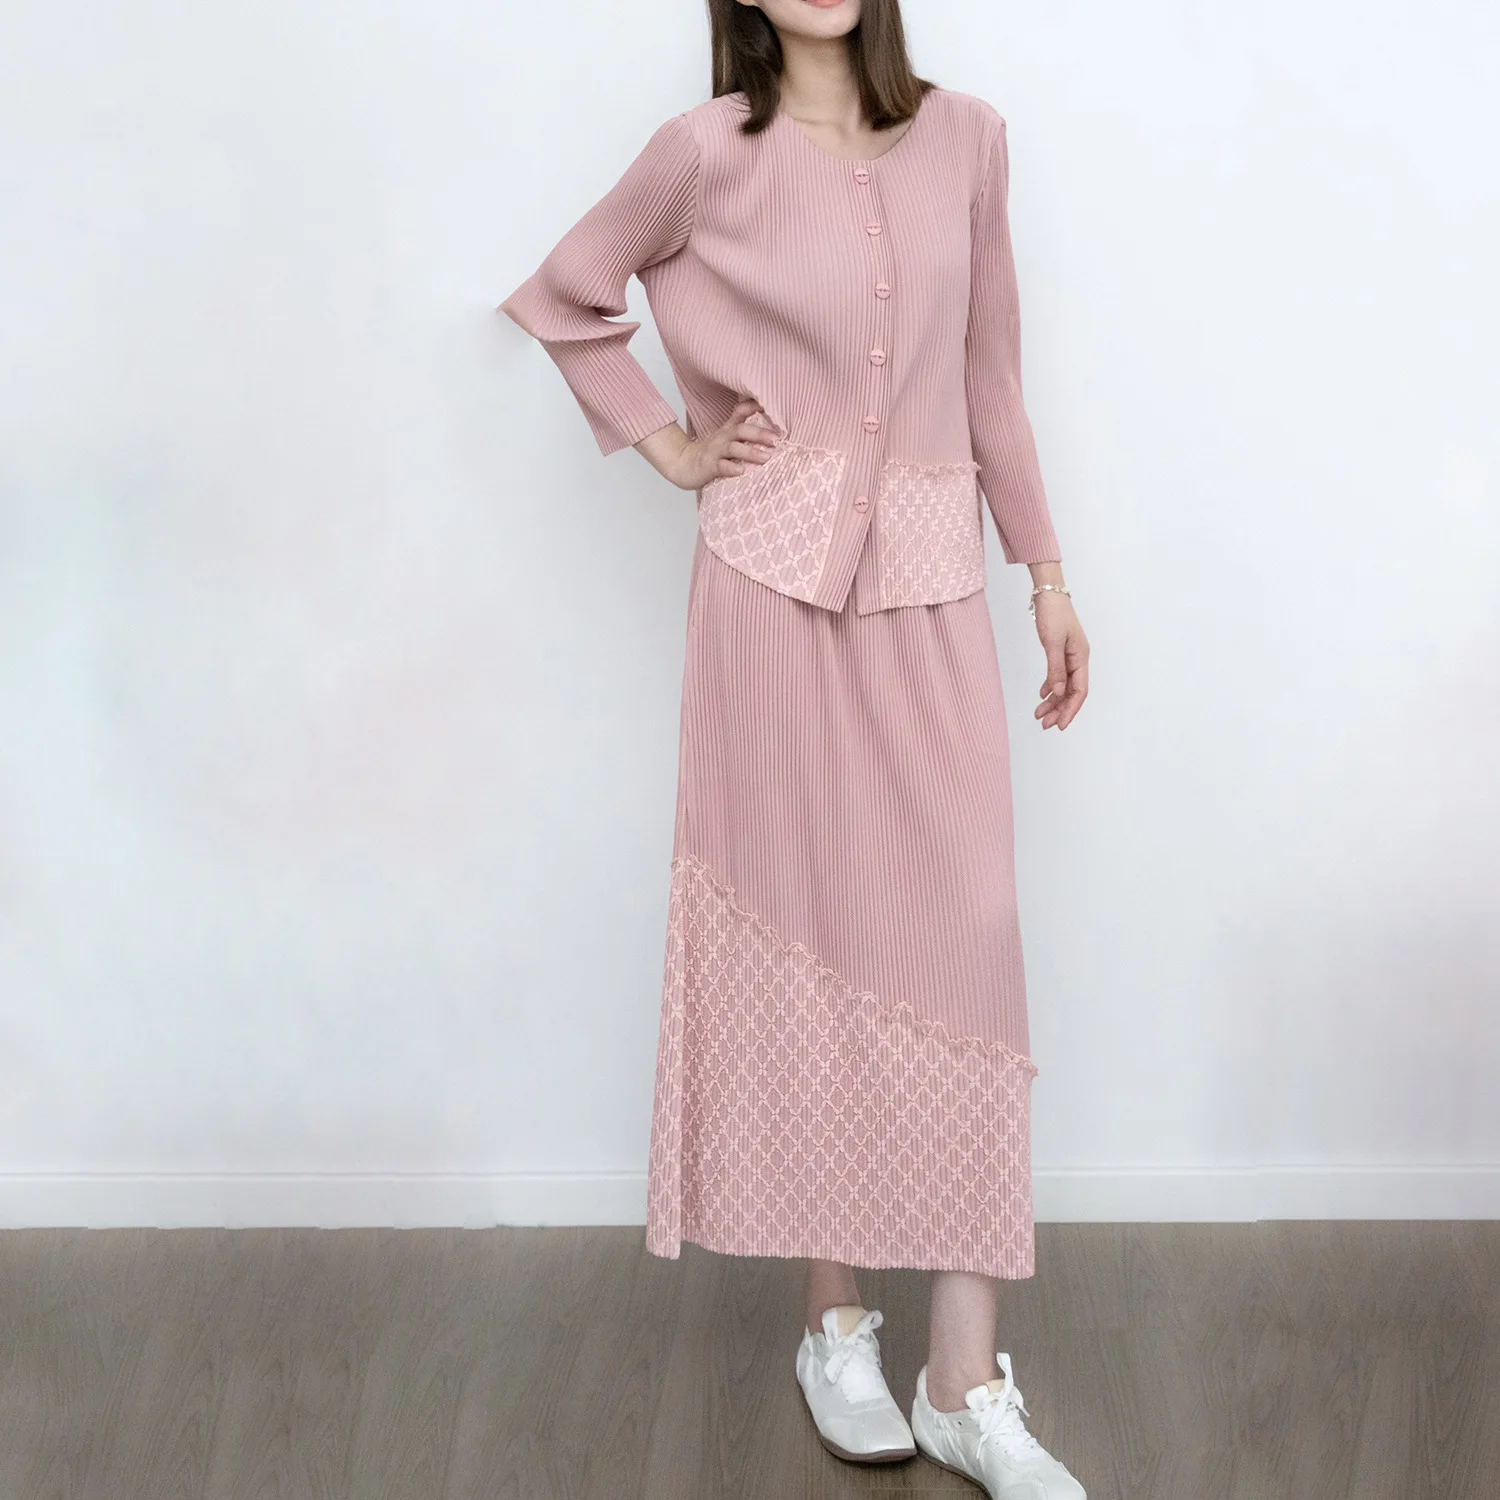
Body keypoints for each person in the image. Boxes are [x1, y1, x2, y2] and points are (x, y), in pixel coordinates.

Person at [499, 2, 1089, 1495]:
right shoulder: (703, 152)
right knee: (814, 937)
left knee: (966, 943)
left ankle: (965, 1384)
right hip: (766, 589)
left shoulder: (969, 139)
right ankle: (835, 1327)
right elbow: (567, 293)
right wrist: (670, 445)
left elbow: (991, 378)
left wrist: (1045, 574)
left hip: (932, 584)